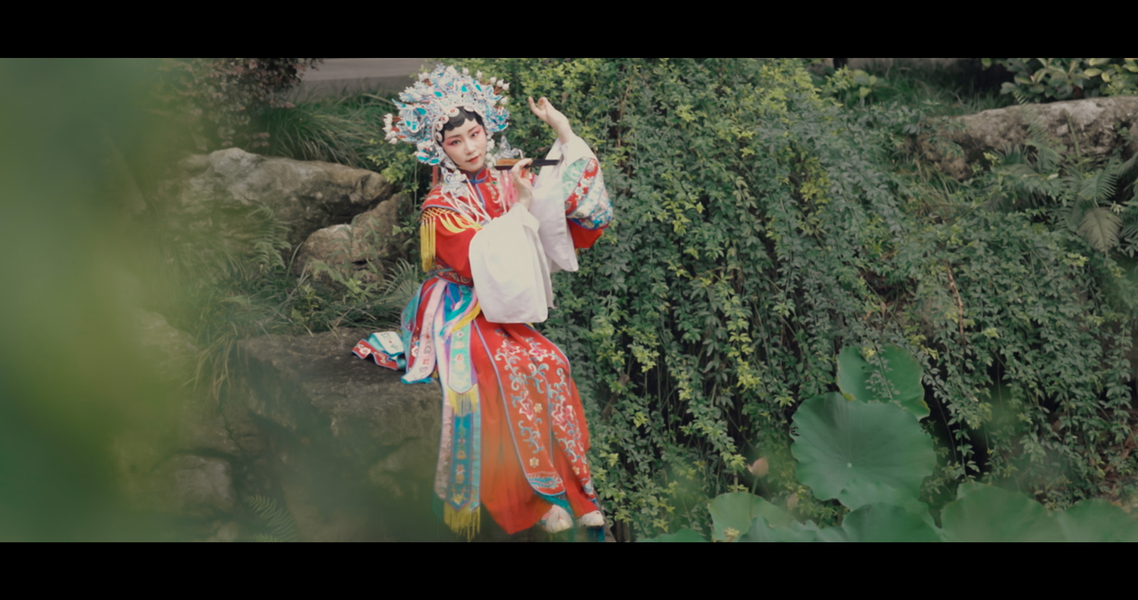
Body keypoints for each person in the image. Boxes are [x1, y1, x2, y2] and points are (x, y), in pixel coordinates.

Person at [357, 64, 612, 539]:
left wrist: (562, 131)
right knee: (502, 370)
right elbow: (480, 261)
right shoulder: (439, 205)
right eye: (456, 141)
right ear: (440, 148)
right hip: (457, 306)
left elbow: (563, 210)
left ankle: (577, 494)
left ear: (487, 130)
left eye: (475, 134)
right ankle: (533, 502)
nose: (471, 148)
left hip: (500, 305)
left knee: (551, 362)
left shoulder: (504, 177)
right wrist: (521, 207)